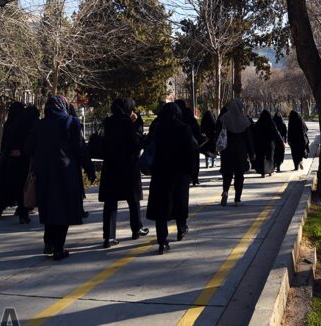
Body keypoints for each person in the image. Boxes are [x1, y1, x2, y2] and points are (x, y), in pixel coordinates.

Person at [24, 96, 95, 261]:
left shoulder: (39, 125)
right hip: (66, 172)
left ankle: (48, 243)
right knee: (64, 208)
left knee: (48, 207)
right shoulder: (70, 122)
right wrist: (89, 169)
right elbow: (80, 148)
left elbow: (28, 148)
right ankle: (59, 248)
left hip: (44, 173)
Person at [146, 102, 197, 254]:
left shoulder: (158, 129)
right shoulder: (184, 129)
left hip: (161, 172)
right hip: (179, 173)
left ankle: (162, 240)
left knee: (161, 208)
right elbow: (191, 151)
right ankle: (181, 229)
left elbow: (149, 146)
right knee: (180, 203)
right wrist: (191, 171)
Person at [98, 98, 148, 248]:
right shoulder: (127, 123)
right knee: (133, 200)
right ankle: (136, 228)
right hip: (128, 167)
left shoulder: (107, 122)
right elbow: (135, 144)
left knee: (110, 202)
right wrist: (138, 128)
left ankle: (109, 236)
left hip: (110, 167)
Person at [0, 102, 26, 220]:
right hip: (19, 159)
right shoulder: (22, 125)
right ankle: (22, 211)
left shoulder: (8, 124)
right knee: (19, 185)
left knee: (4, 185)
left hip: (7, 158)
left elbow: (4, 142)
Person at [218, 98, 255, 206]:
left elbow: (218, 135)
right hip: (240, 151)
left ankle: (225, 191)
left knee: (227, 174)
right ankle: (237, 199)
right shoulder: (245, 120)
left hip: (227, 151)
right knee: (239, 175)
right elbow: (249, 139)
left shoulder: (224, 119)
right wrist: (251, 153)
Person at [176, 99, 203, 186]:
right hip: (192, 143)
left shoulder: (176, 116)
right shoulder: (189, 116)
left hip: (180, 144)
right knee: (194, 160)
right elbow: (196, 129)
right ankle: (194, 178)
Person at [252, 110, 282, 177]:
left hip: (260, 144)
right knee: (270, 158)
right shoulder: (271, 122)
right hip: (269, 143)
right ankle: (270, 171)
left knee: (261, 158)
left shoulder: (259, 123)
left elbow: (254, 133)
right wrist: (278, 141)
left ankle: (262, 172)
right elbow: (275, 132)